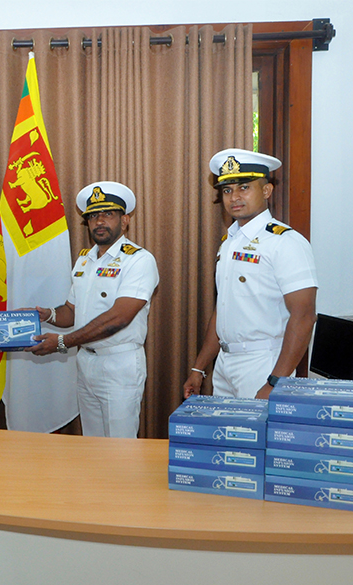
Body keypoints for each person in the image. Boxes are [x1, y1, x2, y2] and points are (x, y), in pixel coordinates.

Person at [183, 149, 317, 400]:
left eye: (244, 187)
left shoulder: (285, 242)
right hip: (225, 364)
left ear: (266, 191)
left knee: (261, 439)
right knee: (227, 438)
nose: (234, 197)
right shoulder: (229, 243)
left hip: (264, 363)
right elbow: (223, 310)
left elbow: (305, 316)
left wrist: (275, 381)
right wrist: (199, 368)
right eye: (227, 190)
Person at [29, 181, 159, 439]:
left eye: (108, 214)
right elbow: (72, 311)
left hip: (119, 364)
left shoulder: (139, 260)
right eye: (93, 216)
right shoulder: (85, 259)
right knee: (92, 446)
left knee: (120, 449)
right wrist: (48, 315)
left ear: (125, 221)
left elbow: (118, 318)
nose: (99, 221)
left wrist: (63, 342)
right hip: (86, 362)